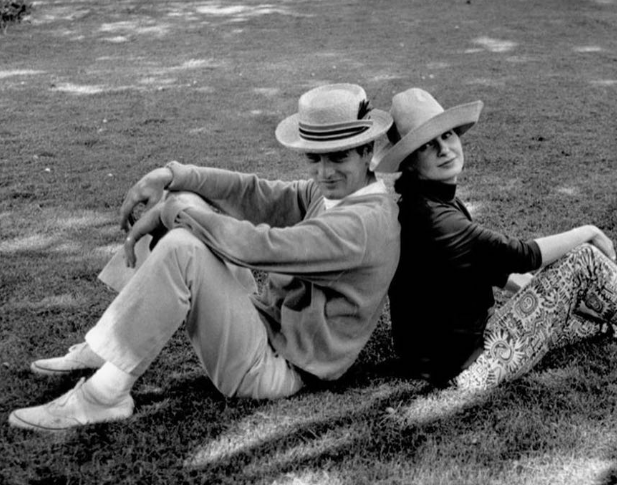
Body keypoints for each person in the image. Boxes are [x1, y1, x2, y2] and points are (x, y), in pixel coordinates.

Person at [10, 83, 400, 431]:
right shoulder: (339, 193)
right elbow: (255, 193)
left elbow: (257, 248)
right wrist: (171, 176)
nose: (323, 172)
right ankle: (107, 345)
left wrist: (168, 213)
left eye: (338, 157)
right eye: (314, 158)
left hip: (281, 370)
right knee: (188, 202)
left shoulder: (363, 225)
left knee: (184, 245)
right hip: (264, 328)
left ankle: (104, 397)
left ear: (368, 151)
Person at [372, 88, 617, 390]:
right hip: (466, 366)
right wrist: (586, 233)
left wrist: (542, 293)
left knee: (595, 309)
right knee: (583, 261)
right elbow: (517, 255)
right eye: (427, 145)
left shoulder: (427, 203)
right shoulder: (432, 218)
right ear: (410, 162)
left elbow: (485, 267)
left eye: (449, 135)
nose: (444, 149)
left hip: (462, 348)